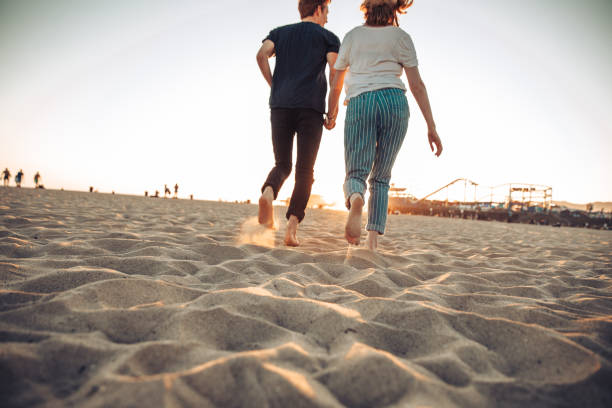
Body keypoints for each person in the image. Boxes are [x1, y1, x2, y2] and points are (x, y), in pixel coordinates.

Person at [326, 0, 443, 251]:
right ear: (395, 11)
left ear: (366, 8)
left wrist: (332, 111)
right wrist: (431, 127)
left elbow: (336, 80)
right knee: (381, 176)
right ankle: (372, 242)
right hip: (394, 102)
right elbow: (417, 85)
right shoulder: (401, 37)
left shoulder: (352, 36)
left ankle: (356, 198)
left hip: (361, 101)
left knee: (356, 172)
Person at [256, 0, 340, 246]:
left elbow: (261, 55)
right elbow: (335, 70)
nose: (327, 18)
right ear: (318, 9)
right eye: (327, 12)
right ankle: (291, 229)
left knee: (282, 164)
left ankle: (268, 193)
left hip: (280, 105)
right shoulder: (328, 37)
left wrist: (274, 85)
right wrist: (332, 112)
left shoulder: (279, 33)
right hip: (311, 109)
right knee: (305, 171)